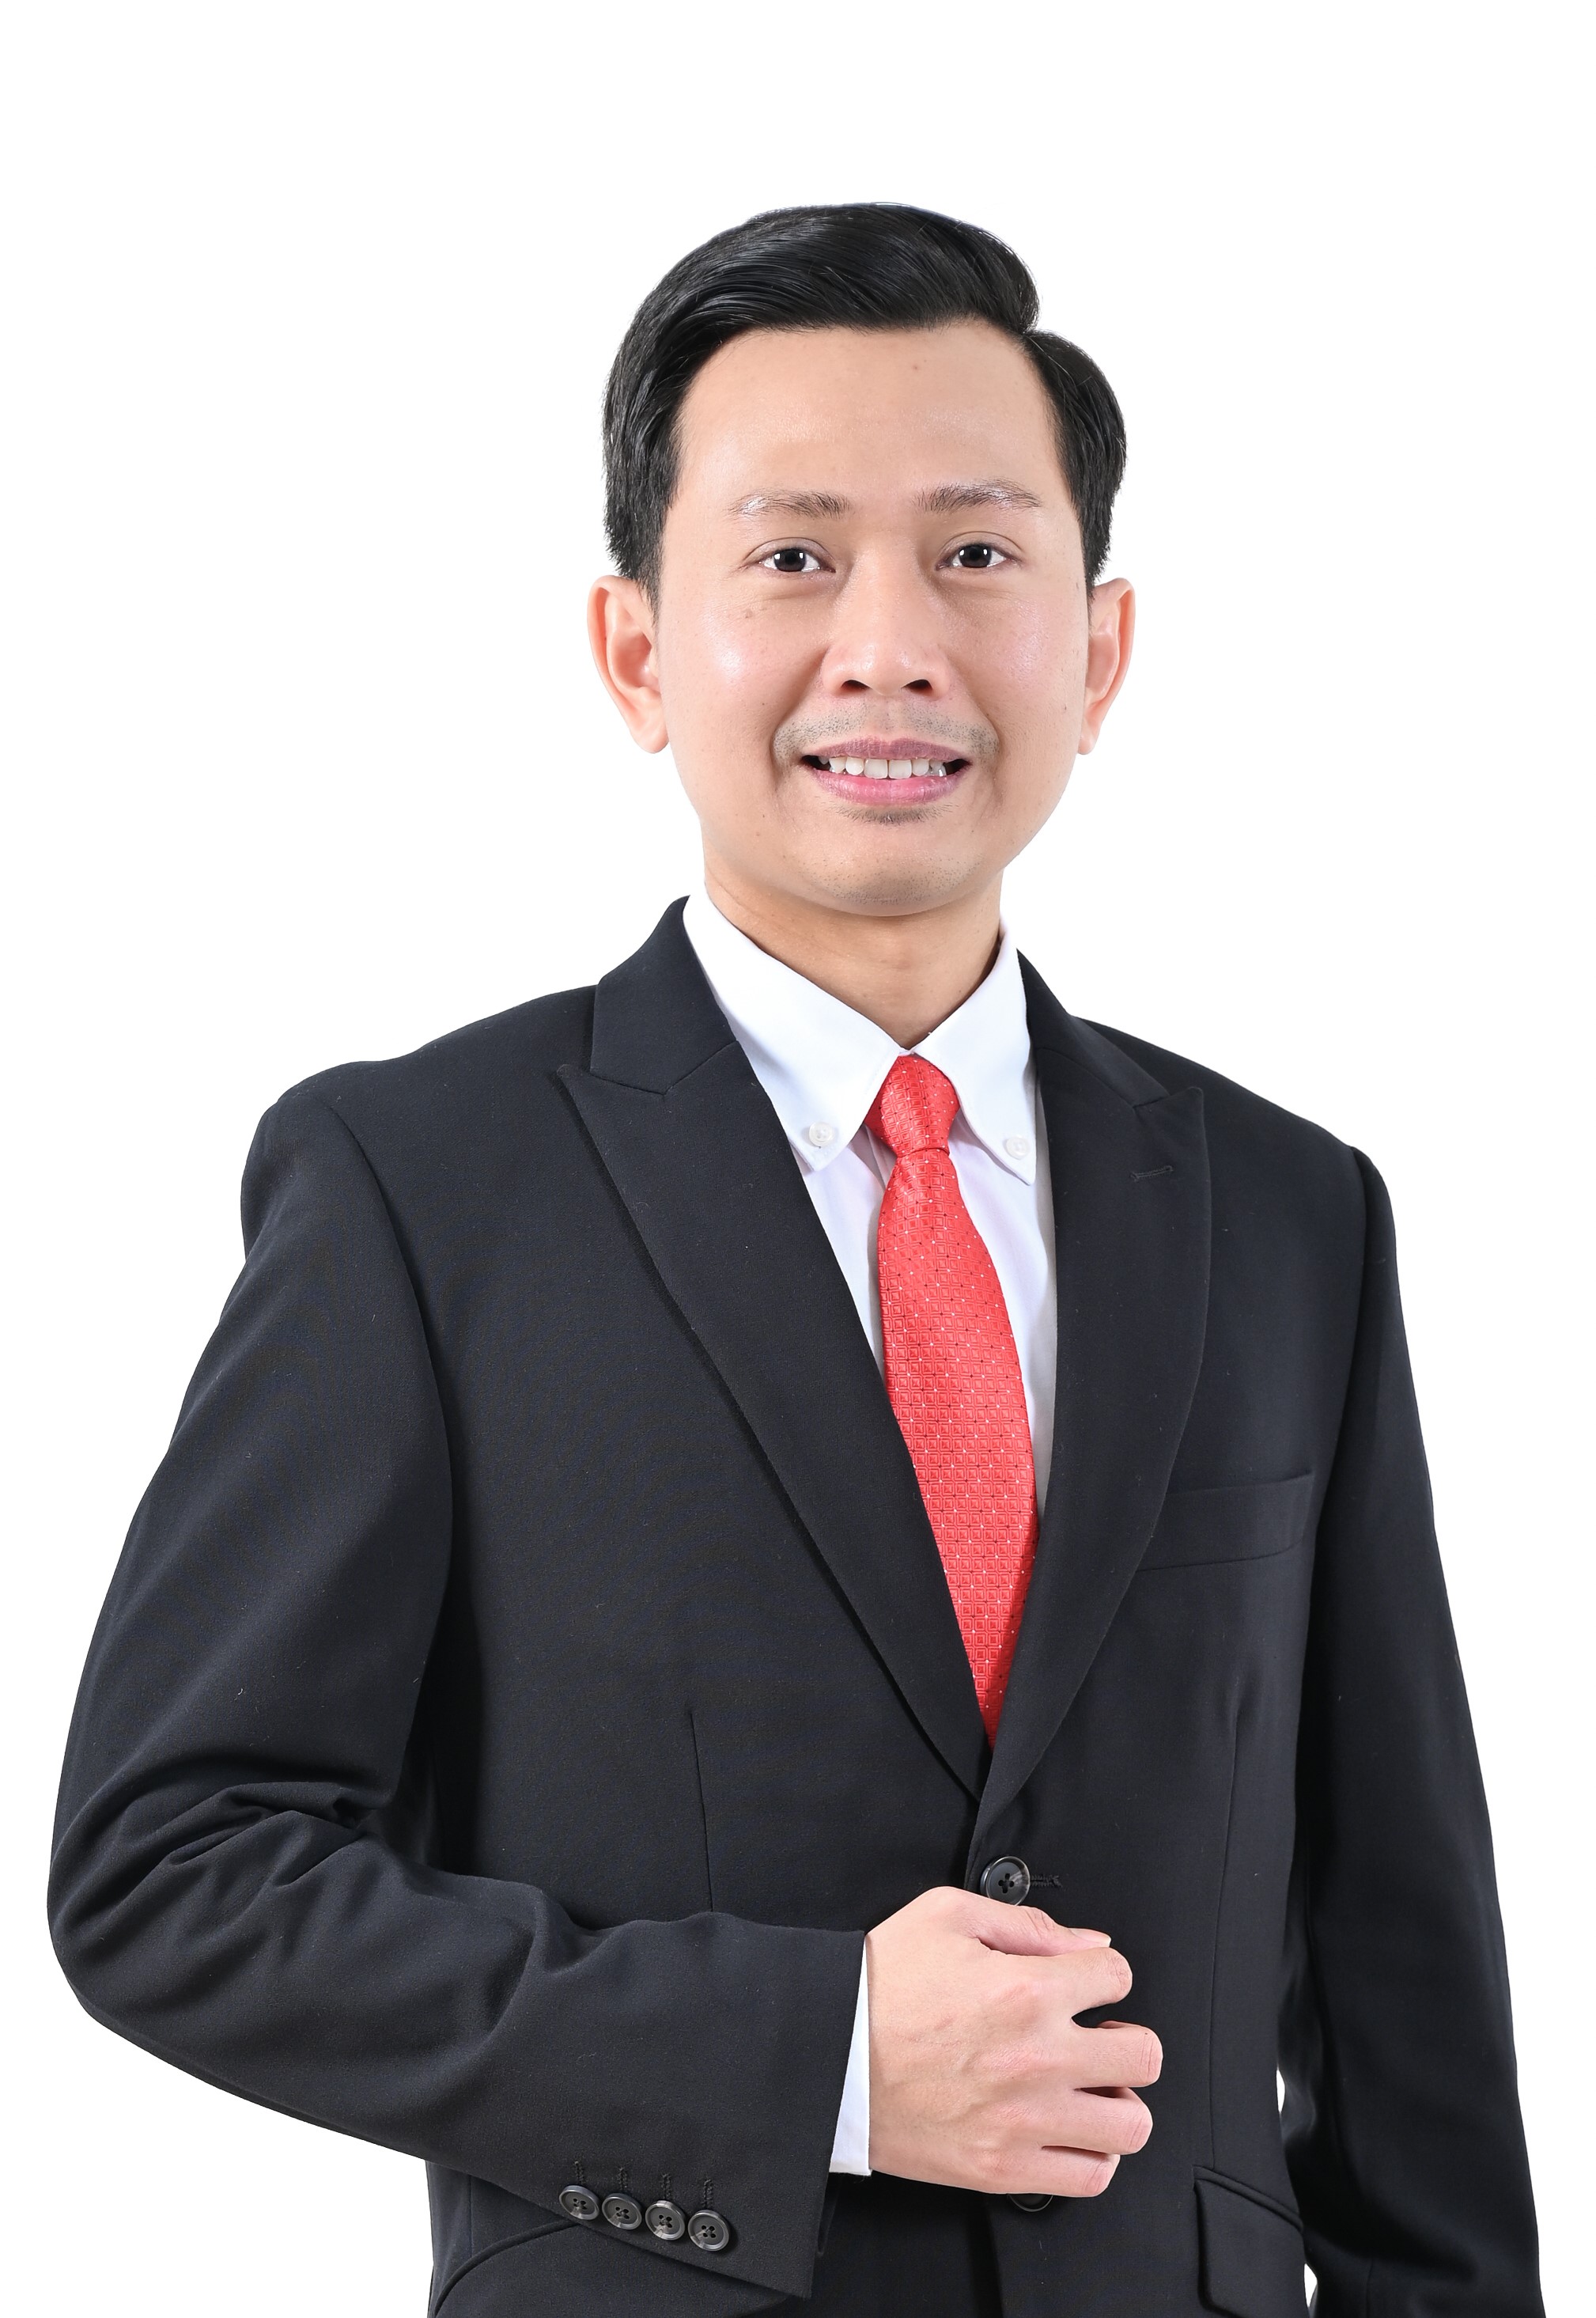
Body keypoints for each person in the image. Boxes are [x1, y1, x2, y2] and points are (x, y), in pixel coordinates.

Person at [50, 204, 1541, 2318]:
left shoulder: (1291, 1212)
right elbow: (173, 1873)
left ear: (1099, 648)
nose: (890, 645)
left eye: (975, 550)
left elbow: (1406, 1978)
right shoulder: (423, 1185)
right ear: (636, 654)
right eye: (792, 556)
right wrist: (815, 2057)